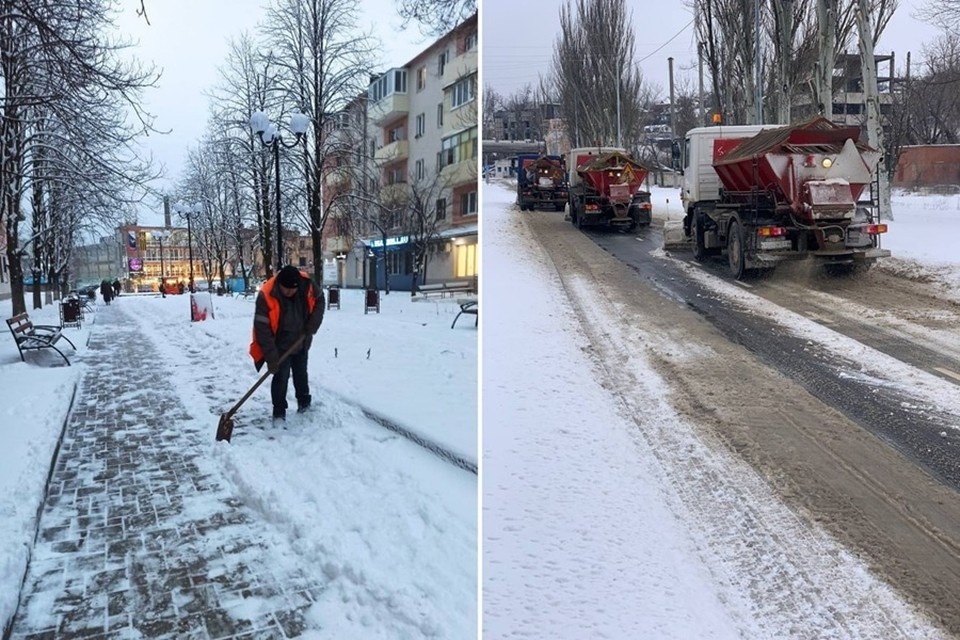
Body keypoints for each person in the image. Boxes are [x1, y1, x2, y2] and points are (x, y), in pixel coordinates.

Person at [249, 265, 324, 421]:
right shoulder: (267, 294)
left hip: (301, 339)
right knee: (281, 377)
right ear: (279, 284)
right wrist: (271, 357)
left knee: (301, 373)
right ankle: (278, 412)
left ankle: (304, 403)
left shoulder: (306, 284)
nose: (290, 292)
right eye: (286, 289)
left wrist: (313, 324)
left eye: (293, 289)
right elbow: (262, 330)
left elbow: (320, 300)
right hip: (279, 344)